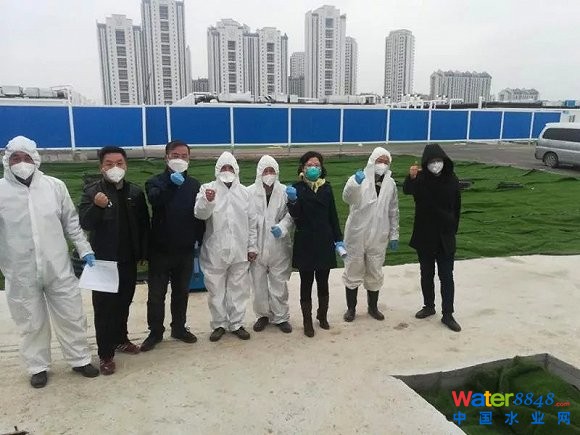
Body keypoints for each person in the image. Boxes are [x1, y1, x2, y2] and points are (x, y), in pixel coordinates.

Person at [0, 136, 99, 388]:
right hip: (20, 271)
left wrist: (84, 249)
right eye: (15, 158)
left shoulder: (54, 186)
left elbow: (71, 222)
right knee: (30, 321)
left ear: (36, 159)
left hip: (57, 267)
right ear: (6, 161)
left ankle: (80, 359)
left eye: (26, 157)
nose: (21, 163)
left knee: (71, 315)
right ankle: (38, 367)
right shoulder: (1, 191)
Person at [78, 146, 150, 375]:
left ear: (126, 165)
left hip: (127, 259)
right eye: (109, 164)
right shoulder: (92, 192)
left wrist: (142, 253)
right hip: (103, 262)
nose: (115, 168)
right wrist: (97, 207)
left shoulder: (135, 192)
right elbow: (85, 223)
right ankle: (106, 353)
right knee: (104, 308)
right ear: (101, 167)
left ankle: (121, 339)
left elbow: (143, 224)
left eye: (119, 163)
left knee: (123, 302)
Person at [141, 140, 205, 351]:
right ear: (166, 158)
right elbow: (155, 201)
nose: (180, 159)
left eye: (184, 156)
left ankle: (178, 327)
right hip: (160, 249)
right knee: (156, 295)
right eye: (175, 155)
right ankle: (155, 332)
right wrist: (171, 184)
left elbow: (199, 215)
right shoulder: (155, 182)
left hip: (185, 249)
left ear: (189, 159)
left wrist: (199, 240)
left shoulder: (194, 185)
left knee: (181, 292)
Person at [194, 151, 257, 342]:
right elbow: (200, 214)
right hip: (215, 250)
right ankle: (219, 324)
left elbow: (252, 222)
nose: (227, 171)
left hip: (240, 249)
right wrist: (207, 201)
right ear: (217, 170)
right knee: (216, 290)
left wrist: (252, 247)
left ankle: (236, 324)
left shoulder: (245, 193)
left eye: (230, 167)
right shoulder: (208, 189)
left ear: (236, 170)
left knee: (239, 289)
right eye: (223, 167)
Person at [403, 143, 462, 332]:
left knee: (446, 276)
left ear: (444, 161)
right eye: (432, 161)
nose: (436, 164)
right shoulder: (420, 179)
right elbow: (407, 190)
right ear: (425, 163)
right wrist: (411, 177)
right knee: (426, 273)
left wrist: (452, 229)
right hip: (425, 236)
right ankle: (429, 306)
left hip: (445, 237)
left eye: (438, 161)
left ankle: (448, 314)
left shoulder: (452, 179)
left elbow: (457, 207)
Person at [286, 151, 343, 337]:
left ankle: (322, 315)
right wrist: (292, 201)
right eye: (310, 165)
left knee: (323, 281)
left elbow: (333, 215)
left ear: (321, 168)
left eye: (317, 165)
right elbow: (296, 216)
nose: (313, 168)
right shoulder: (297, 188)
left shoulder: (326, 188)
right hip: (305, 242)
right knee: (306, 283)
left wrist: (338, 239)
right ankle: (307, 321)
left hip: (324, 241)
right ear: (303, 168)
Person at [342, 147, 400, 322]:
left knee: (375, 271)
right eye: (379, 161)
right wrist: (354, 183)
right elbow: (347, 198)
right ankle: (351, 308)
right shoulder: (358, 179)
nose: (382, 165)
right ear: (372, 161)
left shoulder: (390, 184)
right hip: (357, 234)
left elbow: (393, 210)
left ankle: (373, 307)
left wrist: (394, 234)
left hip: (379, 235)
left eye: (386, 162)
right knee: (353, 270)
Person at [248, 155, 294, 334]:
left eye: (272, 171)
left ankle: (281, 316)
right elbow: (248, 222)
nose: (269, 174)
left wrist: (282, 227)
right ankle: (262, 315)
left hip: (279, 245)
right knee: (258, 284)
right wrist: (251, 246)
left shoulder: (284, 192)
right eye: (265, 171)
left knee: (279, 283)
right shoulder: (249, 192)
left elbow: (291, 215)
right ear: (259, 173)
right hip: (257, 246)